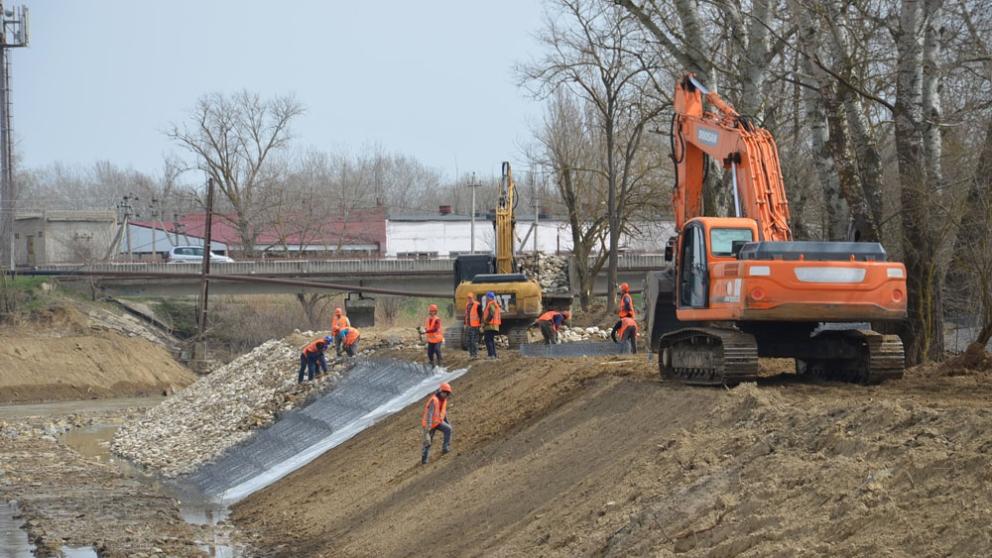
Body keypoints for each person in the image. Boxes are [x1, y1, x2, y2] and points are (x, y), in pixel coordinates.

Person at [421, 382, 453, 464]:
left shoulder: (443, 400)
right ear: (441, 391)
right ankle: (424, 460)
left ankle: (445, 448)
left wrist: (447, 423)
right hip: (430, 424)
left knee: (448, 429)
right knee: (428, 442)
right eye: (445, 393)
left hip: (437, 422)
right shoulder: (434, 400)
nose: (446, 395)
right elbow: (429, 414)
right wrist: (428, 428)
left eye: (447, 393)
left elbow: (443, 413)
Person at [424, 303, 445, 367]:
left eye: (432, 311)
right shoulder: (427, 319)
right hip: (431, 339)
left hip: (438, 339)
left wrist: (426, 331)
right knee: (429, 353)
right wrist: (423, 331)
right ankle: (432, 363)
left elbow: (435, 329)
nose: (431, 312)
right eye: (430, 311)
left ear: (435, 312)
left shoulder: (437, 319)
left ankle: (440, 362)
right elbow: (426, 328)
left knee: (437, 350)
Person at [482, 291, 502, 359]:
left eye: (487, 297)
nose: (486, 298)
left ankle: (491, 355)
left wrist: (486, 322)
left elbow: (491, 313)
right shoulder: (494, 303)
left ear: (489, 297)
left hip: (490, 325)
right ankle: (494, 355)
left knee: (488, 340)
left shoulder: (491, 304)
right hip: (493, 325)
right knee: (490, 340)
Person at [463, 292, 482, 359]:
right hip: (468, 326)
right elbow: (466, 315)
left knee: (474, 341)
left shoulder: (477, 305)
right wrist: (465, 323)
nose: (469, 299)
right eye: (468, 298)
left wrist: (480, 325)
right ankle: (471, 354)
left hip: (475, 326)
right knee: (468, 341)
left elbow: (480, 315)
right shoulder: (467, 305)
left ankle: (475, 355)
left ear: (473, 298)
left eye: (470, 298)